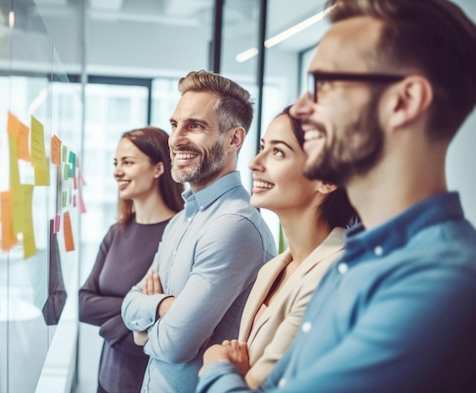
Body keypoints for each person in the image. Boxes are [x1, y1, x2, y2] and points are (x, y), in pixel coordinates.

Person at [197, 0, 476, 392]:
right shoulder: (360, 257)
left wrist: (215, 369)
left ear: (405, 101)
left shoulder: (439, 281)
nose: (304, 109)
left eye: (324, 85)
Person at [121, 70, 277, 393]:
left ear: (234, 139)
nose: (176, 139)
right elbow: (128, 305)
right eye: (175, 124)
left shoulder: (234, 226)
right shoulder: (182, 220)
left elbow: (175, 346)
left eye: (195, 126)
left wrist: (143, 330)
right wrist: (164, 307)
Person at [199, 106, 357, 389]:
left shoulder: (334, 275)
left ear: (327, 179)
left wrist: (215, 361)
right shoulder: (272, 269)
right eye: (262, 147)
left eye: (278, 152)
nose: (254, 163)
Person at [79, 127, 185, 393]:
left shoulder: (179, 235)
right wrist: (141, 310)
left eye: (128, 162)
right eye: (116, 163)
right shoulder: (116, 233)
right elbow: (83, 304)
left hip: (147, 382)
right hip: (106, 379)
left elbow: (174, 322)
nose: (117, 171)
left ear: (159, 168)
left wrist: (119, 321)